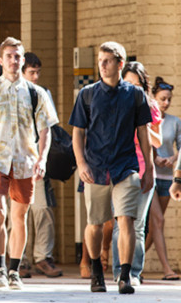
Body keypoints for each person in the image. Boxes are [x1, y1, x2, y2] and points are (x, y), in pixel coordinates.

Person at [0, 37, 58, 290]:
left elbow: (45, 130)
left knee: (19, 215)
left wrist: (42, 159)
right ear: (0, 60)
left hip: (24, 160)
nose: (14, 60)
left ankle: (15, 269)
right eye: (9, 56)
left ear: (22, 58)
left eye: (18, 56)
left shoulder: (35, 93)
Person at [69, 41, 154, 295]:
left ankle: (125, 275)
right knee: (95, 223)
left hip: (125, 167)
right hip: (95, 168)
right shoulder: (87, 94)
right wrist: (81, 163)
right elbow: (77, 133)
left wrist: (148, 168)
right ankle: (96, 270)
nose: (102, 66)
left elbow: (143, 133)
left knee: (125, 219)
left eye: (107, 61)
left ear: (119, 64)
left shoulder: (135, 95)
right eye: (99, 61)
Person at [110, 62, 162, 285]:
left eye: (136, 84)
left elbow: (158, 141)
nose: (132, 88)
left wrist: (142, 124)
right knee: (120, 224)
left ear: (143, 85)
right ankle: (118, 271)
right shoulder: (115, 103)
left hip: (143, 169)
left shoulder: (150, 106)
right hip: (120, 169)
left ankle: (134, 273)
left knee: (138, 225)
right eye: (128, 83)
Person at [17, 52, 62, 278]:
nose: (35, 77)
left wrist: (42, 157)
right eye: (31, 72)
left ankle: (43, 257)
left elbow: (50, 127)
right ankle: (19, 259)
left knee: (42, 209)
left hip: (36, 161)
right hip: (14, 161)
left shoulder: (43, 94)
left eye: (37, 72)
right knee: (17, 212)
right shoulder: (9, 92)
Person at [146, 76, 180, 280]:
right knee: (158, 221)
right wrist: (155, 158)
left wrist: (173, 159)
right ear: (154, 98)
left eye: (168, 99)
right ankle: (167, 269)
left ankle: (132, 264)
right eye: (162, 99)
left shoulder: (176, 122)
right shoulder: (148, 119)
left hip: (167, 178)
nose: (166, 102)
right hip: (151, 175)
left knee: (153, 227)